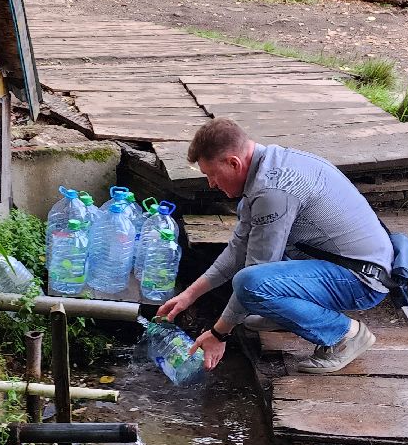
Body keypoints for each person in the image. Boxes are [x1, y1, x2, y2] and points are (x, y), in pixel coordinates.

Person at [156, 118, 393, 375]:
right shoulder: (265, 168)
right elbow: (238, 249)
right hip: (339, 262)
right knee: (252, 284)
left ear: (233, 163)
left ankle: (345, 335)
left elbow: (255, 274)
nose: (211, 184)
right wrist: (189, 295)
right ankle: (281, 311)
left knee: (251, 285)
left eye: (211, 174)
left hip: (362, 278)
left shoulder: (272, 191)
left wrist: (218, 334)